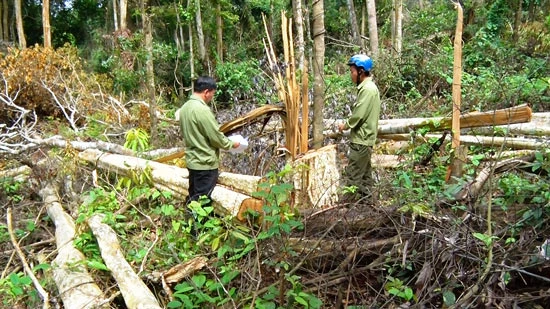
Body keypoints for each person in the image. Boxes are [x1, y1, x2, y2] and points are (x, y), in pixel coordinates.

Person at [179, 76, 240, 205]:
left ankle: (189, 223)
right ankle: (199, 225)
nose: (211, 98)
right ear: (206, 92)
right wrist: (231, 144)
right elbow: (215, 137)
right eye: (212, 94)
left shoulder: (185, 108)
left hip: (192, 161)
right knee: (203, 202)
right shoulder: (202, 110)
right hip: (205, 163)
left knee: (193, 196)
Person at [338, 54, 381, 205]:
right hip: (365, 139)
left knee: (354, 175)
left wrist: (345, 125)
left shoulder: (367, 89)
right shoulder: (369, 88)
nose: (351, 75)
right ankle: (368, 207)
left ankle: (344, 209)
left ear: (361, 72)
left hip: (361, 139)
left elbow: (359, 115)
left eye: (352, 71)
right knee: (365, 178)